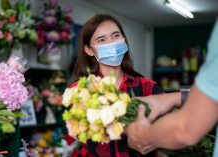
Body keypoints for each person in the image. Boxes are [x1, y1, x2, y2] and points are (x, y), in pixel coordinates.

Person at [68, 13, 163, 157]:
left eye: (115, 36)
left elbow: (171, 124)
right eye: (101, 40)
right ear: (89, 50)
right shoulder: (78, 92)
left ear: (123, 39)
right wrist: (130, 142)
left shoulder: (147, 87)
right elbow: (91, 142)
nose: (111, 43)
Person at [126, 17, 218, 156]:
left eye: (116, 36)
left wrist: (143, 135)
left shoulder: (145, 85)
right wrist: (175, 97)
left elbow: (185, 129)